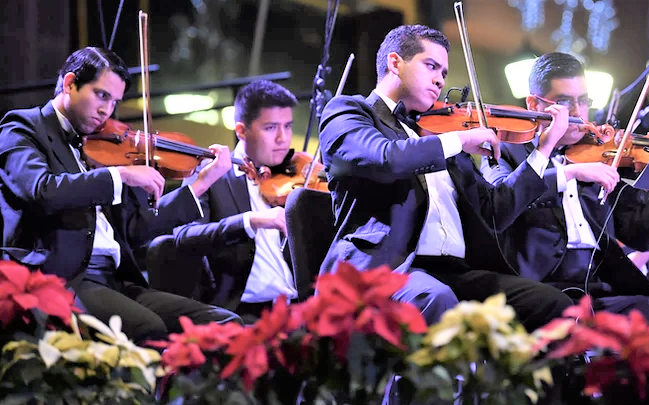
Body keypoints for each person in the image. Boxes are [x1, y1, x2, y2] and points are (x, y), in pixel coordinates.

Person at [318, 25, 573, 331]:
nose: (440, 79)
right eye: (431, 66)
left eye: (444, 71)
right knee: (437, 298)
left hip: (454, 272)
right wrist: (457, 142)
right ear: (395, 63)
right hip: (387, 269)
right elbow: (386, 158)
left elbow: (495, 211)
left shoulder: (437, 132)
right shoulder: (349, 112)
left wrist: (543, 150)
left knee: (552, 303)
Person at [0, 47, 241, 343]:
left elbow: (136, 228)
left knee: (226, 324)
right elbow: (42, 190)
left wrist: (201, 183)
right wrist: (121, 175)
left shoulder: (102, 148)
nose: (107, 111)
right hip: (63, 279)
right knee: (149, 329)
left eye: (114, 102)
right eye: (102, 95)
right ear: (70, 83)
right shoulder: (22, 128)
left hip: (115, 280)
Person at [481, 52, 649, 341]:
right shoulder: (505, 151)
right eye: (564, 102)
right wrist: (564, 169)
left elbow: (641, 233)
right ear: (533, 104)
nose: (578, 112)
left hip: (597, 289)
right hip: (539, 289)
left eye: (584, 101)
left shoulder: (599, 154)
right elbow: (500, 203)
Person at [172, 80, 298, 321]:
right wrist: (250, 221)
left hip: (298, 306)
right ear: (241, 131)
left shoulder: (294, 176)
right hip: (242, 312)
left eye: (288, 126)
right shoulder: (211, 174)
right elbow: (184, 236)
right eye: (271, 128)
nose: (283, 138)